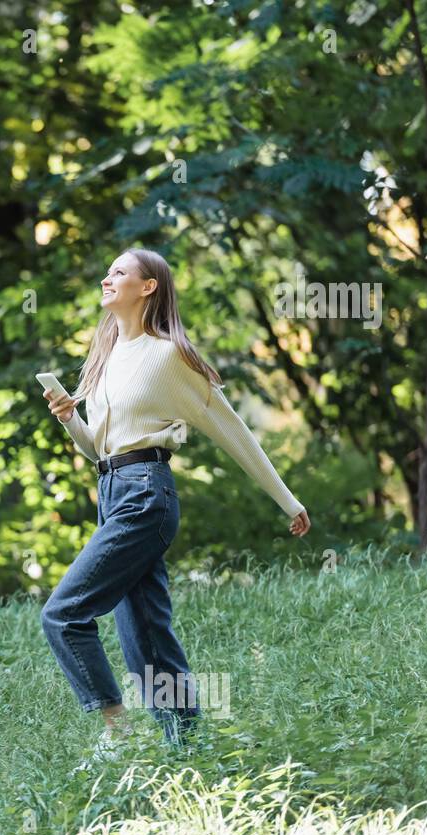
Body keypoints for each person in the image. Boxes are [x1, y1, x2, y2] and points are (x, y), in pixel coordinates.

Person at [39, 247, 310, 765]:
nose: (106, 276)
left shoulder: (169, 356)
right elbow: (98, 447)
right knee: (145, 631)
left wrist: (286, 499)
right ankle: (191, 750)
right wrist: (70, 418)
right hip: (113, 489)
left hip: (146, 492)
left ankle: (115, 732)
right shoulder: (105, 357)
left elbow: (232, 430)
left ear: (148, 287)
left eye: (120, 271)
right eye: (107, 269)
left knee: (64, 613)